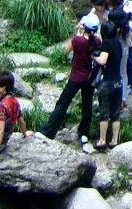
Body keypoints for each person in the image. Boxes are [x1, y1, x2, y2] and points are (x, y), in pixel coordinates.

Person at [40, 15, 101, 147]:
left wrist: (76, 34)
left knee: (62, 103)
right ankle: (84, 134)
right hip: (89, 78)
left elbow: (65, 52)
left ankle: (49, 131)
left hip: (76, 77)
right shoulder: (97, 42)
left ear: (84, 27)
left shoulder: (77, 41)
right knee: (87, 105)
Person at [92, 12, 130, 151]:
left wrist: (93, 55)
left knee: (104, 113)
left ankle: (102, 141)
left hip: (107, 82)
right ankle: (114, 140)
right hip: (118, 82)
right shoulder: (119, 44)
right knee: (115, 114)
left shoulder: (107, 44)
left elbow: (102, 60)